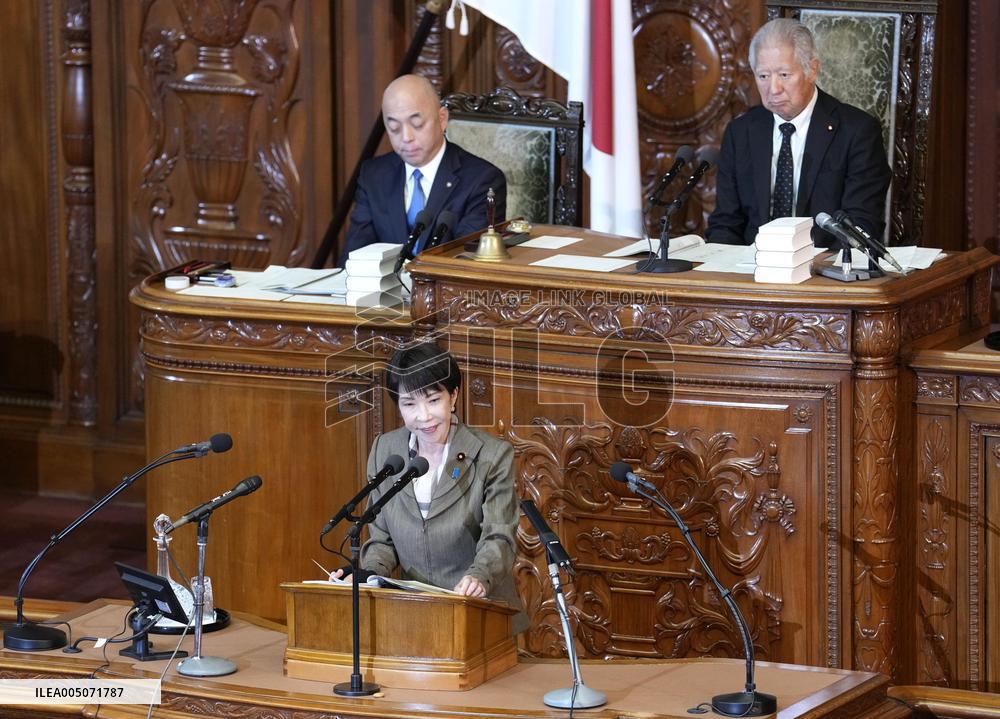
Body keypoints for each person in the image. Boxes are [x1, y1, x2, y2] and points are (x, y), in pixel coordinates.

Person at [334, 342, 527, 633]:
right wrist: (369, 575)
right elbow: (382, 538)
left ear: (453, 396)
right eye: (409, 404)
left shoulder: (491, 455)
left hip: (480, 613)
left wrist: (478, 577)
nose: (423, 416)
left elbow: (499, 535)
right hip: (413, 618)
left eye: (433, 400)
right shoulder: (385, 450)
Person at [706, 18, 891, 247]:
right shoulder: (740, 133)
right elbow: (725, 224)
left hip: (824, 264)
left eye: (784, 75)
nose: (773, 89)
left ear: (811, 70)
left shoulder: (857, 131)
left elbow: (861, 225)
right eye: (763, 76)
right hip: (752, 264)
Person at [339, 74, 507, 264]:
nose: (406, 137)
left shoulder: (482, 181)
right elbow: (354, 258)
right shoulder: (374, 175)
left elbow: (470, 264)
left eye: (417, 124)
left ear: (442, 119)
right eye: (394, 128)